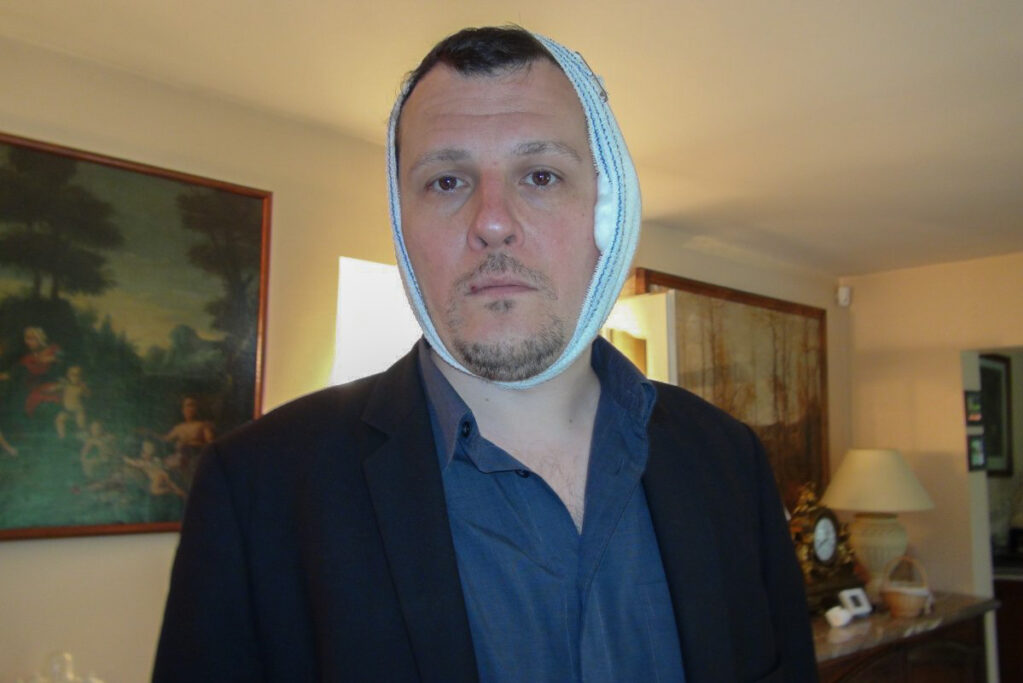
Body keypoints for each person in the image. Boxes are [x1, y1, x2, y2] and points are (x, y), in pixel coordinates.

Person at [154, 26, 817, 682]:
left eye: (541, 175)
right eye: (447, 181)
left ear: (607, 210)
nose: (492, 221)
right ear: (402, 223)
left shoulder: (730, 459)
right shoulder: (257, 491)